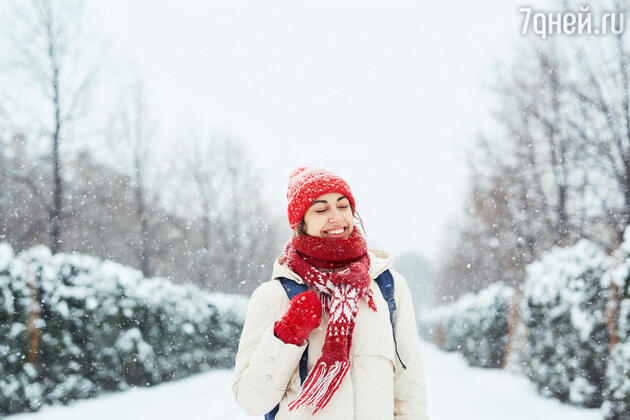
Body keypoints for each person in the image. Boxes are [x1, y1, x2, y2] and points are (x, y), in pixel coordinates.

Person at [232, 166, 429, 419]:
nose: (336, 217)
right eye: (321, 209)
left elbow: (409, 388)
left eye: (343, 206)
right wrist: (288, 334)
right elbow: (251, 401)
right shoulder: (274, 296)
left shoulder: (387, 286)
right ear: (300, 222)